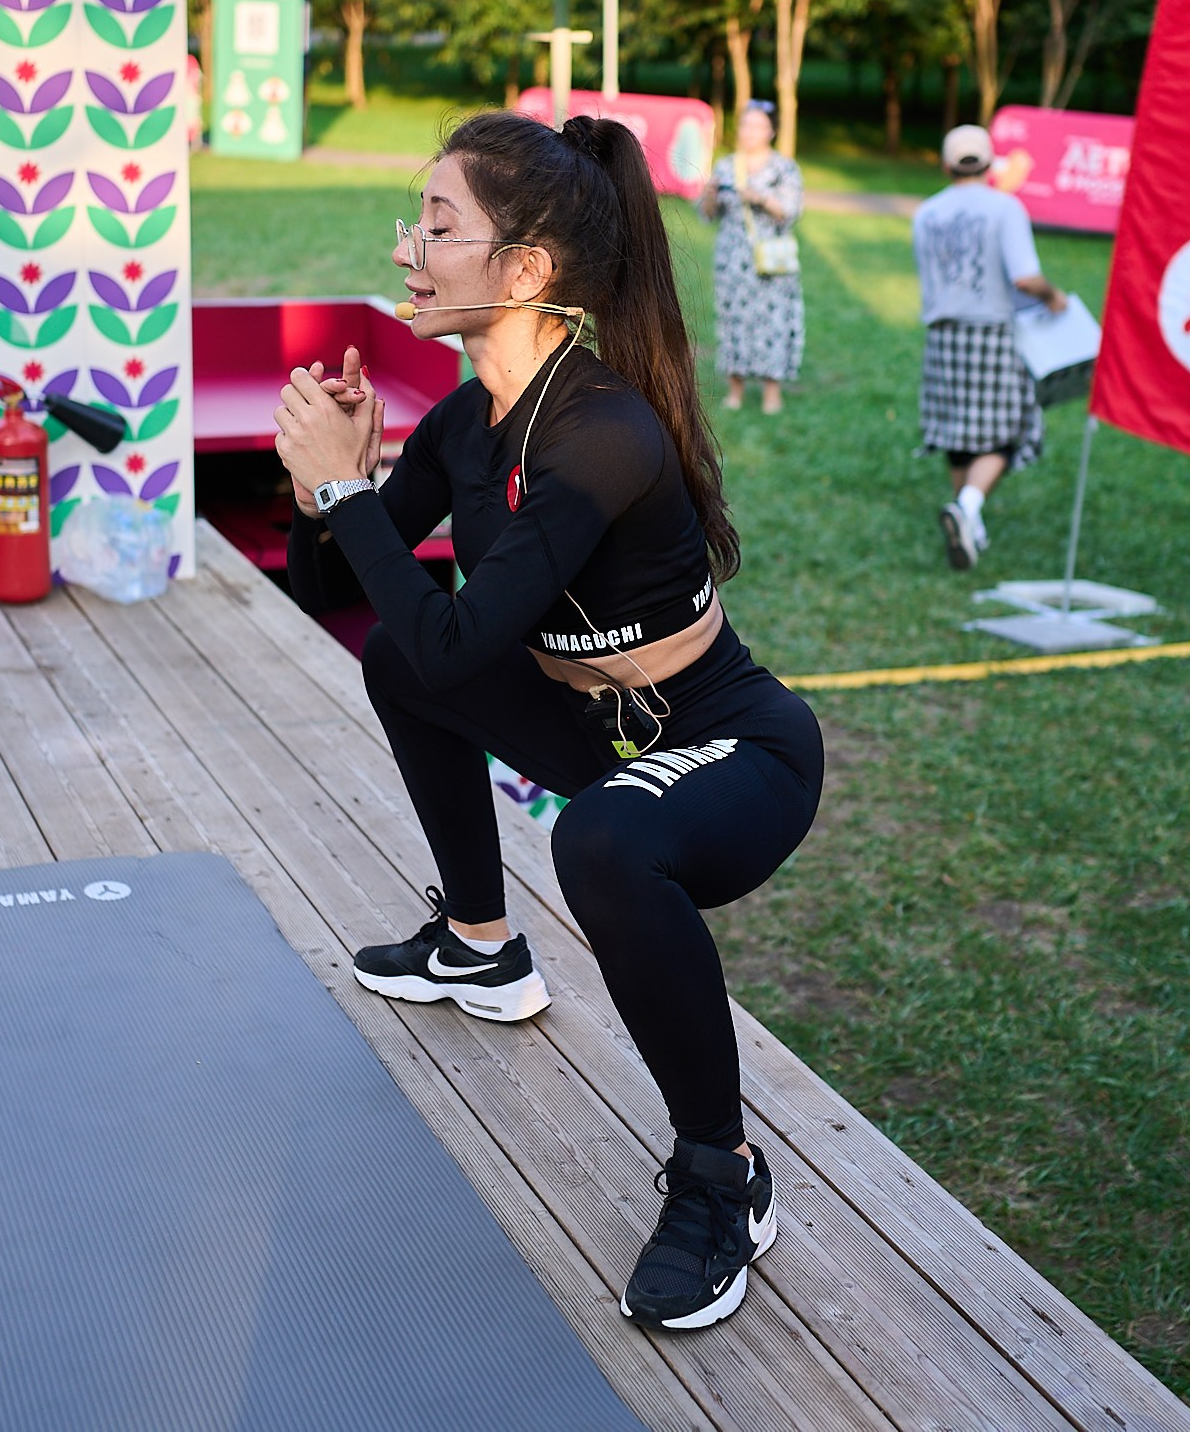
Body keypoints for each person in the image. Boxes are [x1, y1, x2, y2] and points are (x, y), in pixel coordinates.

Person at [275, 111, 824, 1333]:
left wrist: (349, 490)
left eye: (438, 224)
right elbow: (349, 603)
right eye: (414, 219)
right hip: (600, 736)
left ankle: (722, 1177)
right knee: (396, 664)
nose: (408, 247)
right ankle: (481, 946)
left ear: (523, 271)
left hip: (732, 748)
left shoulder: (601, 434)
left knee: (603, 839)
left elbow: (458, 638)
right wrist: (324, 492)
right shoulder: (467, 423)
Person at [913, 124, 1069, 568]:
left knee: (957, 432)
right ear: (988, 163)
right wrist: (1054, 296)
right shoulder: (1005, 207)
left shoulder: (926, 212)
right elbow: (1025, 277)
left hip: (942, 333)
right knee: (1011, 427)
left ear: (946, 166)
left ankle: (969, 527)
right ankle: (968, 506)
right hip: (990, 330)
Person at [699, 100, 804, 414]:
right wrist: (710, 195)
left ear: (771, 131)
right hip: (732, 261)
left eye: (758, 126)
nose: (750, 131)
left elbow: (790, 211)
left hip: (772, 261)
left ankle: (772, 392)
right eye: (746, 124)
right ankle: (736, 390)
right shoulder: (726, 166)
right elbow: (707, 214)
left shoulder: (784, 168)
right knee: (734, 321)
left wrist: (758, 197)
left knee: (773, 323)